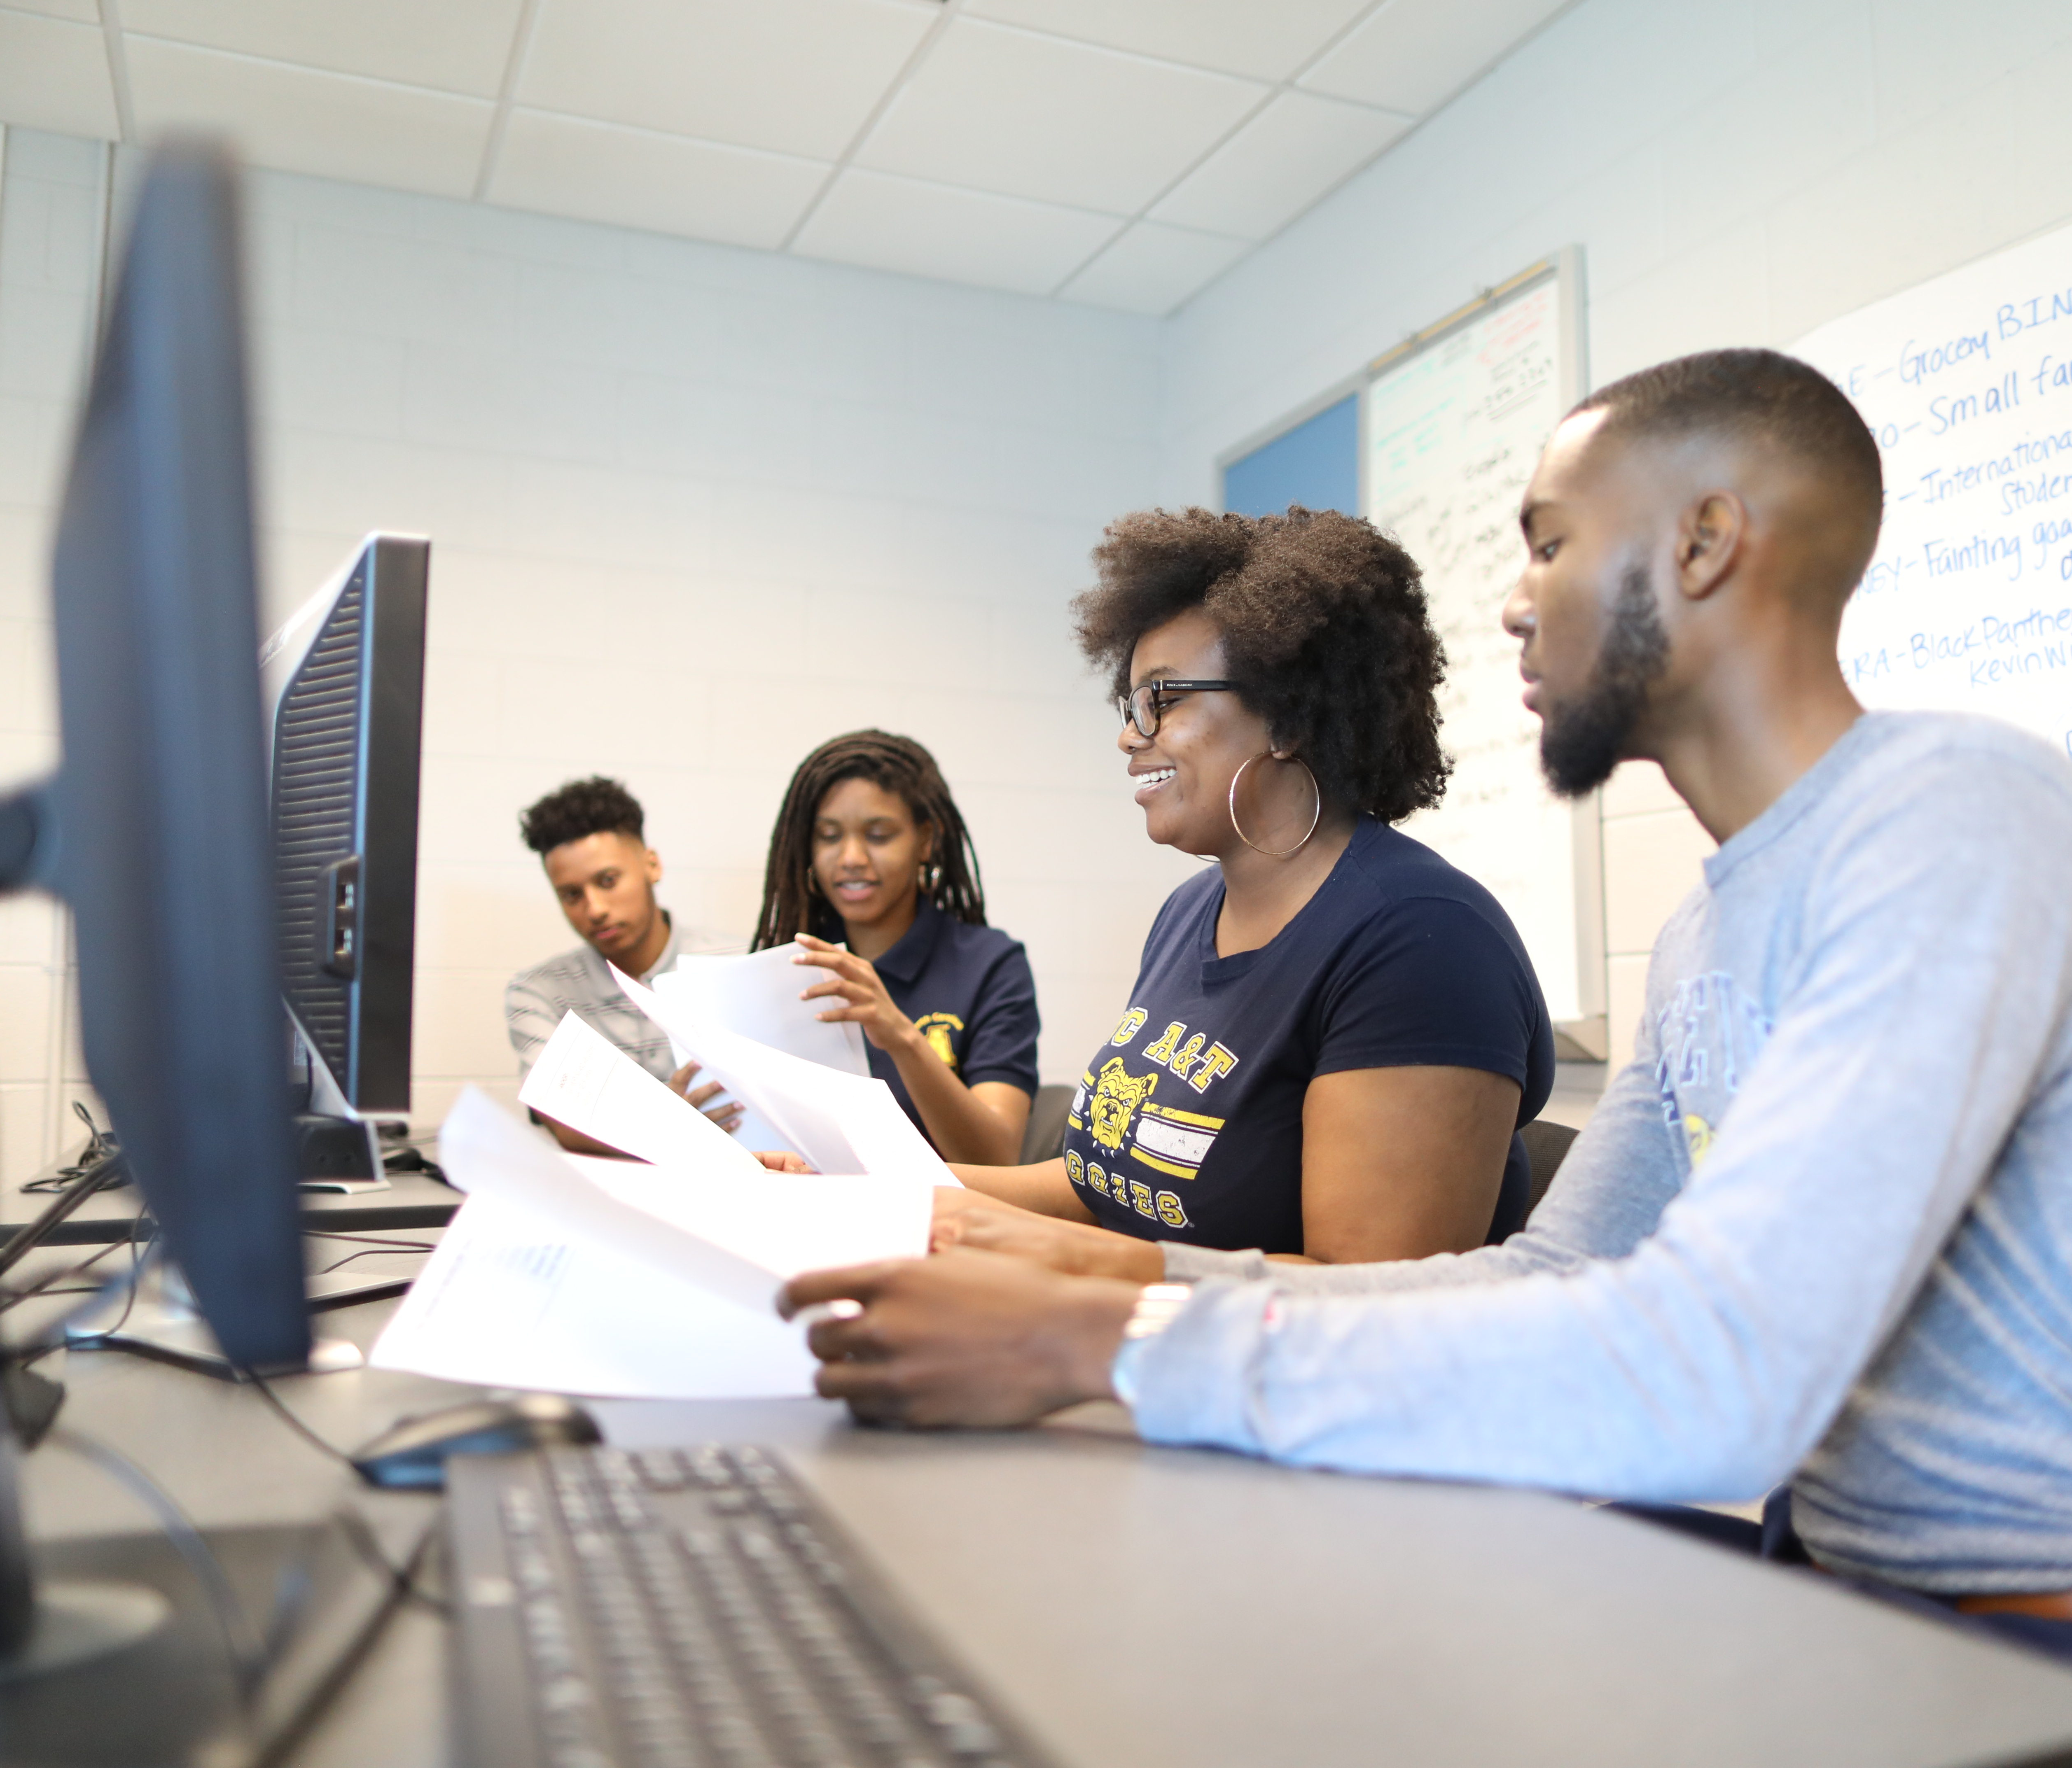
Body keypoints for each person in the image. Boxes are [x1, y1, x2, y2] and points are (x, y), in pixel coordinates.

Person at [779, 351, 2072, 1767]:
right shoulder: (1705, 933)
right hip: (1859, 1638)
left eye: (1549, 540)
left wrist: (1105, 1349)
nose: (1512, 598)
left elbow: (1723, 1374)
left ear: (1702, 540)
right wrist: (1115, 1297)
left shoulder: (1962, 812)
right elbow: (1553, 1274)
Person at [923, 507, 1553, 1271]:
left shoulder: (1425, 940)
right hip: (1149, 1344)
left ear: (1289, 716)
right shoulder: (1190, 911)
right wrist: (865, 1189)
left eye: (1165, 698)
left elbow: (1369, 1299)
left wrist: (1055, 1262)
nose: (1130, 733)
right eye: (1131, 705)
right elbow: (1110, 1190)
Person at [745, 731, 1039, 1168]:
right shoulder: (788, 964)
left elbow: (996, 1156)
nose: (850, 857)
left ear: (925, 841)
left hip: (932, 1224)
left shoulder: (991, 965)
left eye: (879, 835)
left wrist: (903, 1038)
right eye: (828, 836)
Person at [504, 775, 738, 1152]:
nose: (595, 909)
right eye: (571, 895)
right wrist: (668, 1127)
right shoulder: (538, 993)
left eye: (608, 881)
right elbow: (564, 1125)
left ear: (652, 866)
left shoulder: (738, 964)